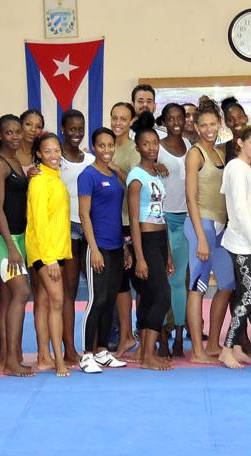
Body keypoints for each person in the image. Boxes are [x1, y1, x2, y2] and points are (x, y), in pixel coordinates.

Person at [76, 127, 130, 373]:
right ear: (93, 147)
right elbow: (84, 215)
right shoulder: (88, 176)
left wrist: (125, 247)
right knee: (96, 300)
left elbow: (125, 190)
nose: (107, 150)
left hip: (117, 245)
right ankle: (86, 353)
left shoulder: (114, 174)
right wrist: (94, 249)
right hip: (98, 247)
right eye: (102, 146)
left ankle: (102, 351)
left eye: (110, 145)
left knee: (109, 301)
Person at [0, 114, 34, 377]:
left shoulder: (16, 160)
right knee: (21, 292)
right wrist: (11, 248)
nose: (14, 136)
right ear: (0, 135)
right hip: (0, 237)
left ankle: (5, 358)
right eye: (9, 132)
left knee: (7, 297)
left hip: (18, 235)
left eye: (17, 132)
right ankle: (13, 359)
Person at [184, 96, 232, 363]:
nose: (209, 129)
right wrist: (201, 237)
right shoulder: (195, 154)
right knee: (198, 285)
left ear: (219, 124)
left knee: (227, 284)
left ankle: (213, 342)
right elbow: (191, 198)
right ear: (197, 126)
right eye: (204, 125)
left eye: (213, 123)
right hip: (201, 224)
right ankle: (198, 351)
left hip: (221, 226)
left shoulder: (219, 152)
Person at [218, 125, 251, 369]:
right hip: (240, 242)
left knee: (244, 294)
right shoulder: (235, 168)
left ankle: (236, 347)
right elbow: (238, 209)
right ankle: (226, 348)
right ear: (240, 142)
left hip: (250, 241)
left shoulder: (248, 169)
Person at [127, 112, 173, 371]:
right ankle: (147, 356)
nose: (152, 148)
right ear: (138, 147)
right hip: (143, 238)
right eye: (146, 144)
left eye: (155, 143)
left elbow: (161, 214)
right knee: (162, 295)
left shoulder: (156, 173)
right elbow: (134, 219)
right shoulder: (136, 177)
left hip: (158, 237)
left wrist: (166, 253)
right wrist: (140, 256)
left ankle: (145, 351)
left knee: (148, 295)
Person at [26, 133, 74, 376]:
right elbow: (39, 222)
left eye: (57, 150)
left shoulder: (56, 179)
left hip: (58, 249)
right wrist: (49, 258)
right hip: (46, 253)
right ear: (38, 154)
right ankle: (58, 360)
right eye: (48, 151)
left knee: (46, 302)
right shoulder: (39, 181)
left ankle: (44, 356)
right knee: (57, 302)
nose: (54, 155)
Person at [156, 103, 192, 357]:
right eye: (170, 118)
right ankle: (161, 336)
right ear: (164, 121)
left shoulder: (191, 147)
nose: (176, 122)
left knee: (179, 281)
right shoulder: (155, 147)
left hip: (187, 219)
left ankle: (179, 335)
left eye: (179, 117)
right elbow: (141, 174)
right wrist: (154, 166)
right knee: (161, 283)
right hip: (162, 219)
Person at [59, 109, 93, 367]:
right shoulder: (55, 160)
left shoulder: (90, 160)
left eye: (80, 129)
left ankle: (96, 345)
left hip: (89, 228)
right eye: (72, 129)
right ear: (63, 129)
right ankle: (69, 349)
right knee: (68, 292)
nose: (76, 133)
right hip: (67, 229)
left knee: (97, 290)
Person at [108, 101, 139, 358]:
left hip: (130, 222)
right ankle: (122, 334)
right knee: (117, 283)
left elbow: (135, 182)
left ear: (131, 122)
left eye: (123, 118)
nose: (118, 122)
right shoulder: (105, 144)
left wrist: (114, 168)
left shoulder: (133, 149)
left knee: (133, 280)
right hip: (109, 222)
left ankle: (133, 333)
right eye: (114, 118)